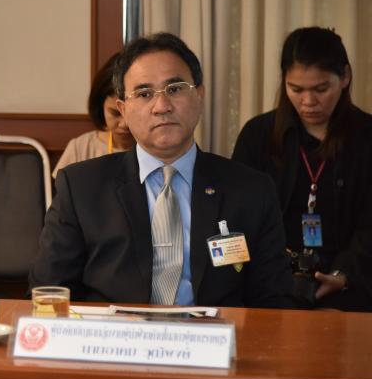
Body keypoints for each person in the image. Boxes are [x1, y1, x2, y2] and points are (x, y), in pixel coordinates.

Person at [30, 32, 294, 307]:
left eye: (175, 89)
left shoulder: (251, 190)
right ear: (123, 109)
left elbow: (275, 301)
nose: (162, 106)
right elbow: (48, 293)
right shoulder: (81, 187)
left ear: (200, 95)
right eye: (144, 94)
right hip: (117, 333)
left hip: (214, 332)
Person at [232, 27, 372, 311]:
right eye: (296, 89)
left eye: (321, 89)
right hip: (270, 285)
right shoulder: (258, 135)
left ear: (345, 77)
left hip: (352, 286)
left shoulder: (367, 137)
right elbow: (237, 215)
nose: (308, 102)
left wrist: (343, 275)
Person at [53, 53, 134, 178]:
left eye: (131, 113)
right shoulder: (81, 147)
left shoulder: (157, 149)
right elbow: (61, 189)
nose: (124, 124)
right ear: (100, 105)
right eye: (115, 113)